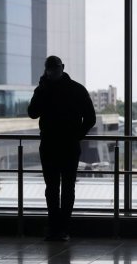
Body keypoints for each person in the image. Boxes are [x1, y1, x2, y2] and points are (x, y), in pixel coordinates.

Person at [28, 55, 96, 241]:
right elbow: (90, 118)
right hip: (67, 146)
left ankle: (56, 227)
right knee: (64, 188)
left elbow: (33, 113)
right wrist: (76, 135)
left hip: (51, 145)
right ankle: (61, 228)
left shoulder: (46, 89)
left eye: (53, 69)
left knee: (54, 188)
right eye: (51, 69)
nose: (52, 72)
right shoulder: (76, 90)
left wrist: (42, 90)